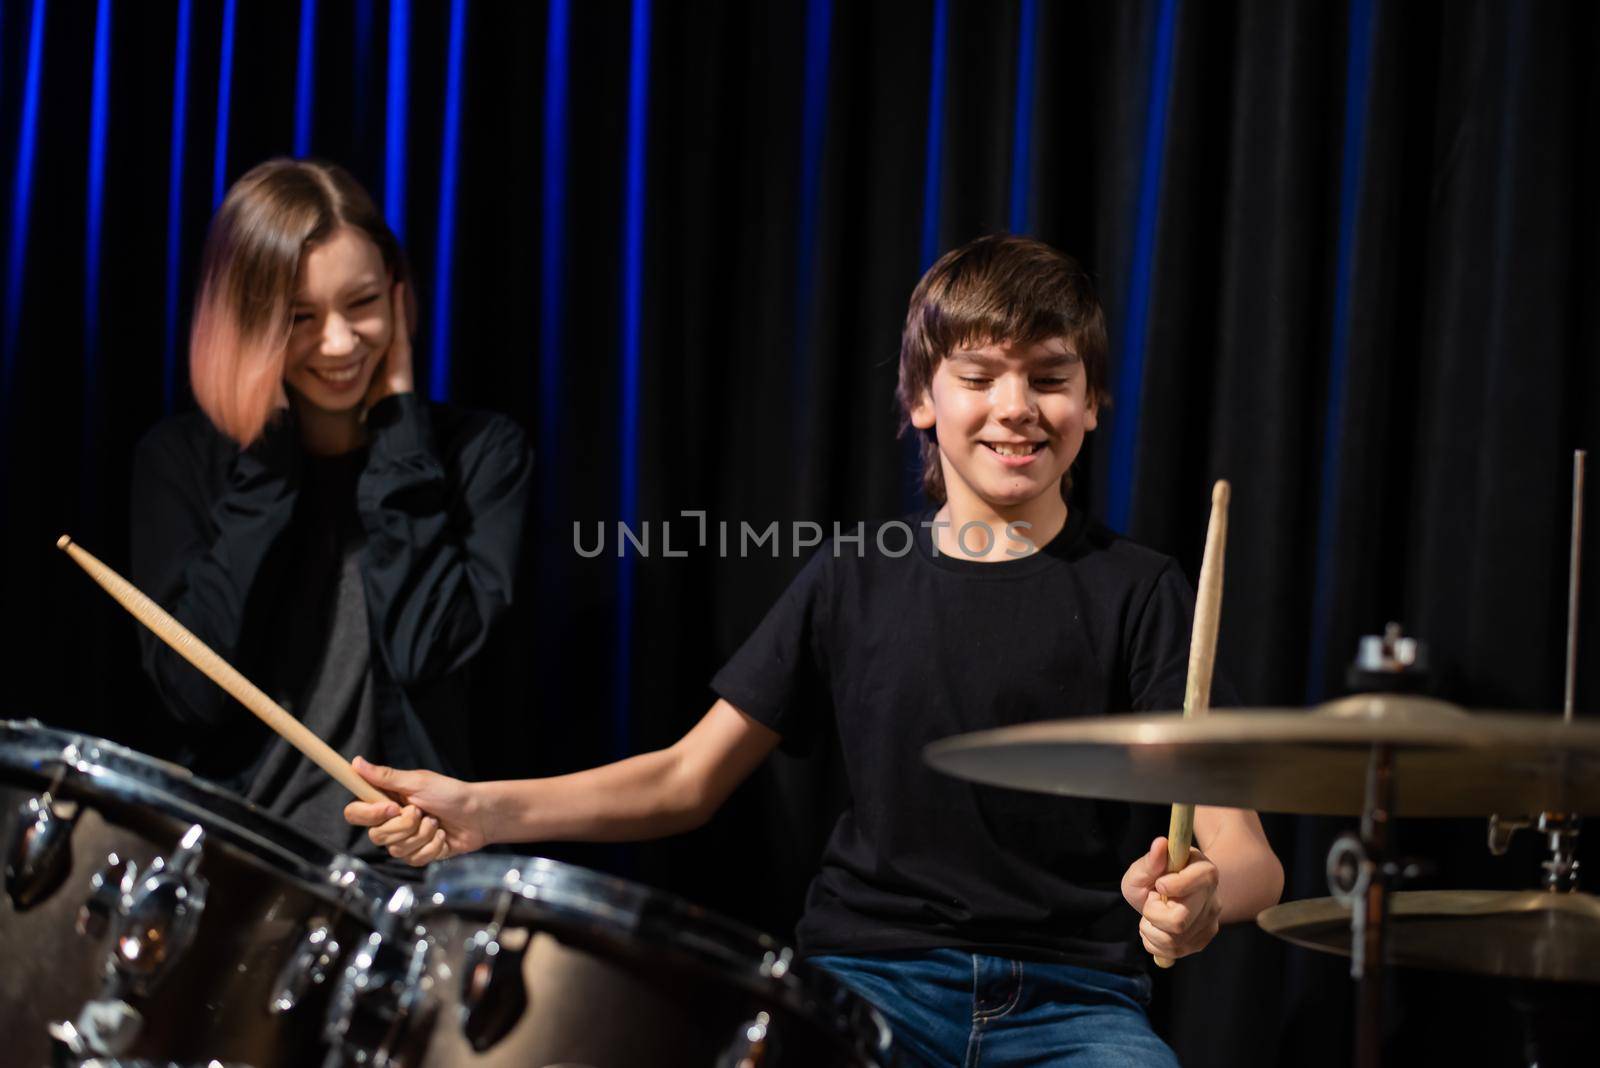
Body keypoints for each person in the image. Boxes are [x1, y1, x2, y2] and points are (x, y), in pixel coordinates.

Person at [344, 235, 1282, 1065]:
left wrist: (1199, 900)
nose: (1017, 406)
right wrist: (479, 810)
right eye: (980, 375)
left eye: (1049, 377)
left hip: (1077, 1006)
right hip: (871, 986)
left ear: (1091, 401)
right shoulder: (854, 579)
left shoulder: (1146, 591)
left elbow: (1250, 858)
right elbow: (684, 779)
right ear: (921, 397)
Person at [131, 159, 531, 862]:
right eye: (299, 318)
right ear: (247, 322)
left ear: (400, 298)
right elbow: (195, 695)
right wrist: (266, 463)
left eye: (364, 303)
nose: (340, 343)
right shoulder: (181, 461)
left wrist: (401, 428)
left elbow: (424, 650)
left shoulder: (480, 454)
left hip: (404, 879)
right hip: (231, 862)